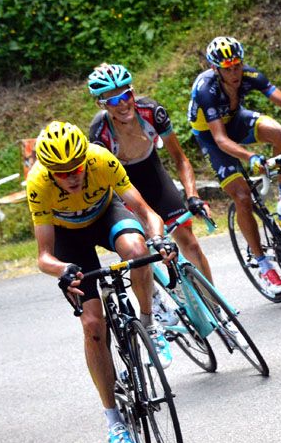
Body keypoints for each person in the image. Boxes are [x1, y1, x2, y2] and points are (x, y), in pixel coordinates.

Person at [27, 121, 172, 443]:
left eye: (76, 168)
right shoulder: (38, 183)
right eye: (61, 173)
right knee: (93, 325)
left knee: (137, 252)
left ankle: (150, 323)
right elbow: (44, 256)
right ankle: (114, 421)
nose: (71, 177)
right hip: (69, 239)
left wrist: (160, 239)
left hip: (107, 214)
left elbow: (145, 211)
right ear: (49, 171)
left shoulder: (101, 159)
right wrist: (63, 270)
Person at [188, 36, 281, 295]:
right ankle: (263, 264)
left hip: (235, 119)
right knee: (242, 197)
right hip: (211, 134)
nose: (235, 73)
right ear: (215, 69)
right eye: (228, 69)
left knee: (280, 133)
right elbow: (220, 139)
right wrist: (250, 156)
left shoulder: (250, 74)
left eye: (237, 66)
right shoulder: (205, 89)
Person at [87, 62, 214, 327]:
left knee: (188, 241)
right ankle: (154, 298)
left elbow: (180, 159)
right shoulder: (100, 132)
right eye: (114, 100)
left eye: (127, 95)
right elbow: (104, 181)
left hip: (153, 175)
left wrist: (192, 195)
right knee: (139, 247)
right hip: (122, 185)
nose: (123, 104)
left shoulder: (151, 111)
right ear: (102, 105)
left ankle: (214, 304)